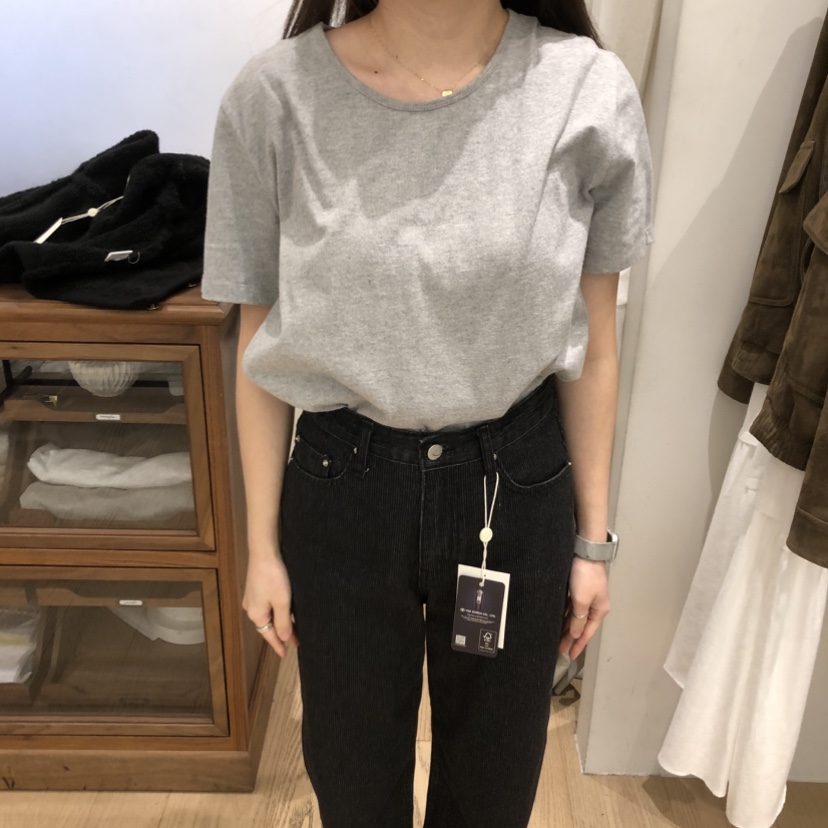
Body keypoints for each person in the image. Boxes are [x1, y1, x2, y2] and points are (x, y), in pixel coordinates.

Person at [200, 1, 655, 825]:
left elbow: (595, 344)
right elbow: (260, 340)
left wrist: (593, 543)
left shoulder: (586, 89)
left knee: (494, 786)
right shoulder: (274, 97)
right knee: (351, 780)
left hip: (515, 485)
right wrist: (261, 548)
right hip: (342, 481)